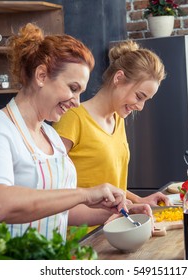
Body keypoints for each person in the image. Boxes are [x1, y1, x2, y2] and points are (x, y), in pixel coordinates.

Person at [0, 23, 151, 255]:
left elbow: (63, 211)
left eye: (80, 92)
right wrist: (85, 193)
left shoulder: (52, 137)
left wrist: (121, 211)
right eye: (72, 88)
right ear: (42, 75)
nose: (76, 101)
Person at [52, 40, 170, 207]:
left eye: (146, 100)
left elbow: (107, 185)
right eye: (139, 96)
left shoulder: (118, 119)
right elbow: (52, 187)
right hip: (84, 231)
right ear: (119, 78)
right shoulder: (73, 118)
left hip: (115, 226)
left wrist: (139, 200)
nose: (141, 107)